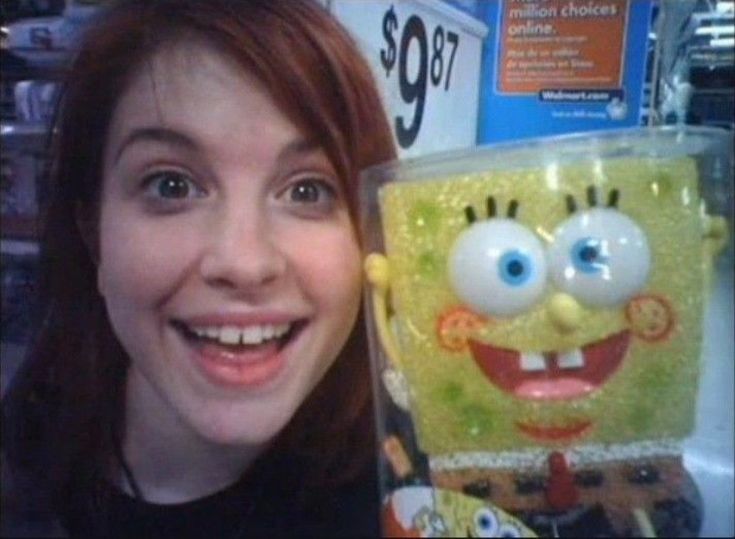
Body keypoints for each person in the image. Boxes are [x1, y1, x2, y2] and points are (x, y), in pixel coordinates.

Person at [1, 0, 396, 536]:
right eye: (172, 186)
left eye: (308, 190)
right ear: (93, 234)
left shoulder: (420, 499)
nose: (244, 263)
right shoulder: (27, 443)